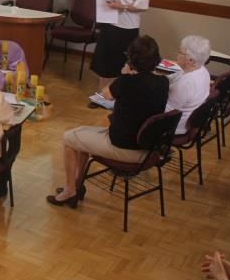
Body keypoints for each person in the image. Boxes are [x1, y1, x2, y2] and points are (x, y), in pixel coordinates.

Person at [48, 35, 168, 208]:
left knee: (68, 138)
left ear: (131, 59)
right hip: (148, 148)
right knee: (81, 134)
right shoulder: (163, 82)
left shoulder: (127, 81)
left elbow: (106, 93)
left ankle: (69, 191)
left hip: (123, 147)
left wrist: (124, 74)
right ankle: (76, 186)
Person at [168, 35, 212, 135]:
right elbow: (179, 75)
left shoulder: (186, 84)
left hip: (175, 126)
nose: (177, 54)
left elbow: (168, 111)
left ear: (191, 60)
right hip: (186, 118)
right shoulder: (203, 71)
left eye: (180, 52)